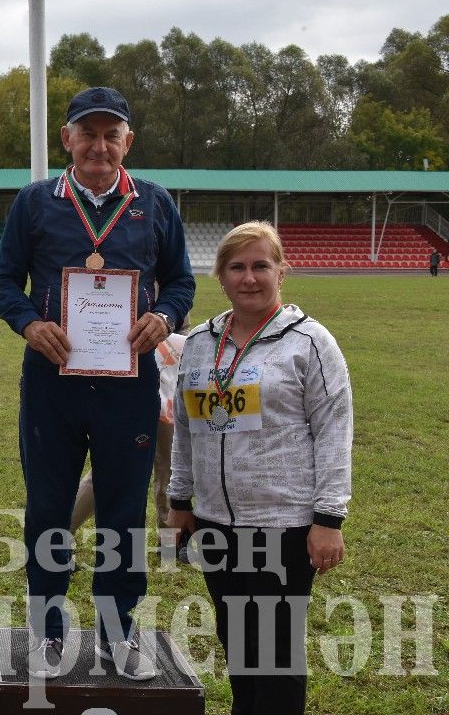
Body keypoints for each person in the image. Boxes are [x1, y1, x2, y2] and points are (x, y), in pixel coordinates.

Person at [0, 86, 195, 680]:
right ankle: (48, 628)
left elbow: (181, 282)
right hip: (53, 382)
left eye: (112, 134)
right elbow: (5, 282)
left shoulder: (155, 204)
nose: (100, 145)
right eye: (89, 133)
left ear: (128, 141)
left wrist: (165, 317)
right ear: (67, 139)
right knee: (49, 505)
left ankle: (116, 631)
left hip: (129, 382)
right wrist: (29, 324)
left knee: (124, 511)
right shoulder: (34, 203)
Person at [167, 221, 351, 715]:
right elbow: (185, 429)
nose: (250, 278)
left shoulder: (309, 342)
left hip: (284, 526)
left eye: (260, 266)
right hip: (215, 523)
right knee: (239, 645)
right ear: (221, 277)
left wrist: (328, 520)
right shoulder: (201, 344)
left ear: (281, 272)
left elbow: (335, 431)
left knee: (275, 654)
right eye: (237, 267)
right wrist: (180, 503)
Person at [69, 324, 187, 540]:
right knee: (109, 467)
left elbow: (179, 312)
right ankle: (61, 534)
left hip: (171, 368)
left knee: (170, 467)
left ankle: (171, 539)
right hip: (133, 371)